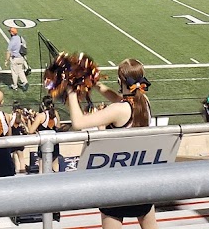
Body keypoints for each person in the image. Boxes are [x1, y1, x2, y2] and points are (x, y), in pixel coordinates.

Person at [66, 59, 157, 229]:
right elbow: (118, 98)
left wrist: (71, 91)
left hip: (118, 179)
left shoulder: (119, 110)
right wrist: (95, 83)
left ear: (119, 81)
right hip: (141, 178)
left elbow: (78, 123)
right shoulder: (143, 101)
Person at [28, 95, 63, 171]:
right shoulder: (55, 113)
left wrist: (29, 120)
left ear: (43, 104)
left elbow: (31, 131)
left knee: (42, 169)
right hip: (55, 142)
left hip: (44, 143)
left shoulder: (41, 116)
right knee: (56, 167)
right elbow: (58, 126)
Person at [7, 27, 28, 91]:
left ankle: (15, 85)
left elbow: (8, 51)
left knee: (14, 73)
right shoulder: (19, 37)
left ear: (12, 33)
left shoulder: (12, 40)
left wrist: (6, 60)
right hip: (21, 57)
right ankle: (25, 82)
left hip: (15, 58)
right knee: (20, 71)